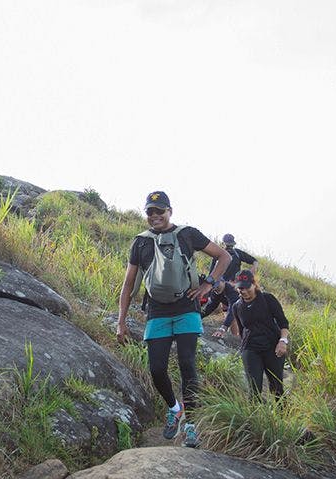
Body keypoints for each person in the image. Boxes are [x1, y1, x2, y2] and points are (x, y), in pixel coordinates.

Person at [117, 191, 231, 448]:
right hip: (157, 310)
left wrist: (209, 285)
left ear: (170, 211)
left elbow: (224, 256)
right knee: (156, 369)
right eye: (150, 212)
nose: (155, 216)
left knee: (187, 364)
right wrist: (121, 321)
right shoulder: (140, 243)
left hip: (187, 308)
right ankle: (174, 408)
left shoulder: (188, 234)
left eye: (160, 211)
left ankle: (190, 425)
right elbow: (128, 284)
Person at [214, 270, 291, 403]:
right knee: (254, 389)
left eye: (246, 287)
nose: (243, 291)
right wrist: (243, 349)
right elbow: (242, 330)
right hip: (251, 348)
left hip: (273, 347)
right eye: (240, 288)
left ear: (254, 284)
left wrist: (282, 341)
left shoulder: (268, 299)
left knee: (277, 387)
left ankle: (283, 417)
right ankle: (253, 420)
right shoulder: (237, 307)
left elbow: (283, 322)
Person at [208, 234, 258, 336]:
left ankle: (236, 338)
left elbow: (255, 261)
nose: (229, 247)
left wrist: (249, 273)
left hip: (234, 287)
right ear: (223, 244)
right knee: (229, 312)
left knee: (234, 313)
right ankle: (235, 338)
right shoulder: (217, 255)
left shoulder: (238, 253)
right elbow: (211, 273)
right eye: (227, 245)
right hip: (221, 286)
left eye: (231, 245)